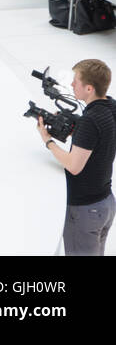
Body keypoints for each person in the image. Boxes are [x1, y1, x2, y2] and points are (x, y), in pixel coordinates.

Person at [36, 59, 116, 255]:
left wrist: (48, 141)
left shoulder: (90, 121)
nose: (72, 85)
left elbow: (74, 166)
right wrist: (77, 132)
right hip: (105, 204)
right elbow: (102, 137)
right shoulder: (111, 106)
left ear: (89, 88)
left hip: (85, 210)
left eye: (76, 81)